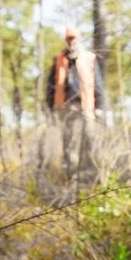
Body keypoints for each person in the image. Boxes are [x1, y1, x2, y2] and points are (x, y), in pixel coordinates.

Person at [44, 27, 103, 178]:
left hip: (86, 104)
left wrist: (99, 106)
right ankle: (69, 173)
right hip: (65, 105)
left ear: (80, 38)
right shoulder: (59, 59)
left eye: (74, 38)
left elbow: (98, 83)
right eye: (69, 38)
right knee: (68, 140)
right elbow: (51, 85)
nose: (72, 41)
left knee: (89, 136)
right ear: (66, 40)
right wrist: (50, 106)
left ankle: (89, 170)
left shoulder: (89, 58)